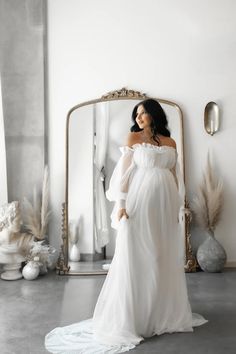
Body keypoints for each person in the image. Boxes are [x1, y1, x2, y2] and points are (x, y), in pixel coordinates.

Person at [45, 99, 208, 353]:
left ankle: (159, 313)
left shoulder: (170, 142)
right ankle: (134, 317)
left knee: (161, 257)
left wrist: (178, 206)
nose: (140, 116)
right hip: (139, 204)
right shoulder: (132, 138)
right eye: (137, 113)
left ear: (155, 114)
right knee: (139, 255)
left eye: (144, 112)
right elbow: (124, 175)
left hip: (164, 208)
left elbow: (176, 176)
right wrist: (121, 204)